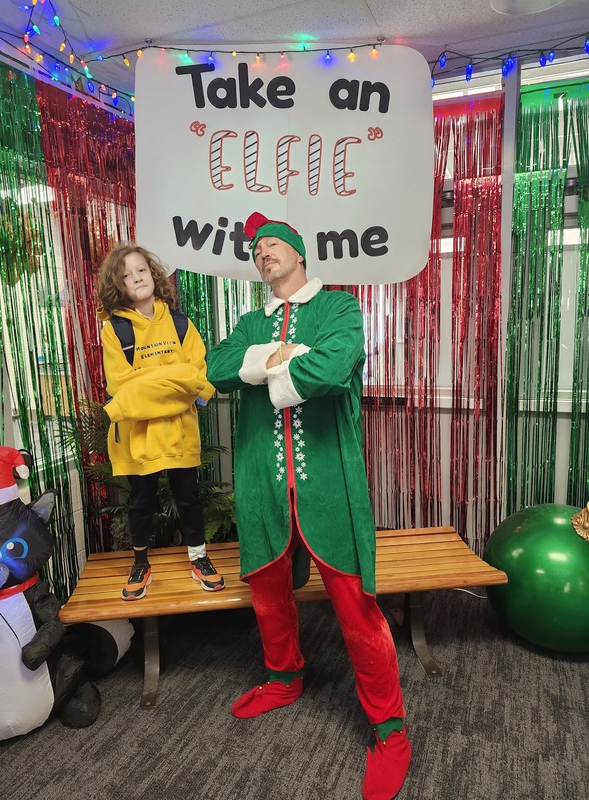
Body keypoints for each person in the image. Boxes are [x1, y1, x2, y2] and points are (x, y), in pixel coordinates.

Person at [207, 213, 410, 799]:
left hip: (327, 483)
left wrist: (266, 364)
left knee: (356, 607)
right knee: (267, 594)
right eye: (255, 250)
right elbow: (218, 367)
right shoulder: (249, 319)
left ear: (300, 253)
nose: (262, 253)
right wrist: (282, 351)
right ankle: (284, 676)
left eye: (272, 244)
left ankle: (390, 728)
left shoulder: (340, 310)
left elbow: (331, 366)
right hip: (264, 486)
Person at [97, 243, 225, 600]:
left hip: (180, 435)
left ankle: (199, 557)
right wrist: (174, 377)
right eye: (126, 275)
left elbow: (197, 377)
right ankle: (141, 563)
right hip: (138, 438)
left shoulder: (181, 323)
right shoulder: (114, 330)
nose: (136, 278)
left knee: (189, 499)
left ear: (153, 274)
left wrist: (147, 384)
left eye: (141, 270)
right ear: (118, 286)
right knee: (140, 502)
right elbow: (120, 386)